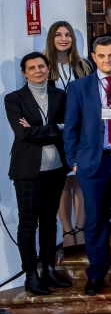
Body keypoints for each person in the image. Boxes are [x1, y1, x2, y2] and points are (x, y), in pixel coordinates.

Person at [63, 37, 111, 295]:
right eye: (102, 56)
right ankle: (96, 272)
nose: (107, 60)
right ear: (93, 57)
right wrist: (74, 161)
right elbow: (70, 128)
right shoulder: (79, 87)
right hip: (93, 164)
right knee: (95, 220)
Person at [6, 52, 71, 295]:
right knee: (28, 223)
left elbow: (69, 127)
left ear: (48, 68)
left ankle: (49, 269)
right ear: (24, 73)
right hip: (27, 169)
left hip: (56, 168)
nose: (38, 71)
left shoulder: (59, 95)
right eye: (32, 68)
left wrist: (38, 129)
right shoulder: (14, 99)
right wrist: (55, 129)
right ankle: (31, 275)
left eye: (41, 66)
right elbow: (22, 134)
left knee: (49, 222)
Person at [45, 22, 91, 252]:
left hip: (81, 133)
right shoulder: (44, 67)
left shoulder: (84, 66)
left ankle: (80, 229)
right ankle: (66, 230)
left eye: (68, 35)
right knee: (62, 183)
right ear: (51, 39)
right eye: (58, 35)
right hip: (56, 134)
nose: (63, 39)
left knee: (80, 181)